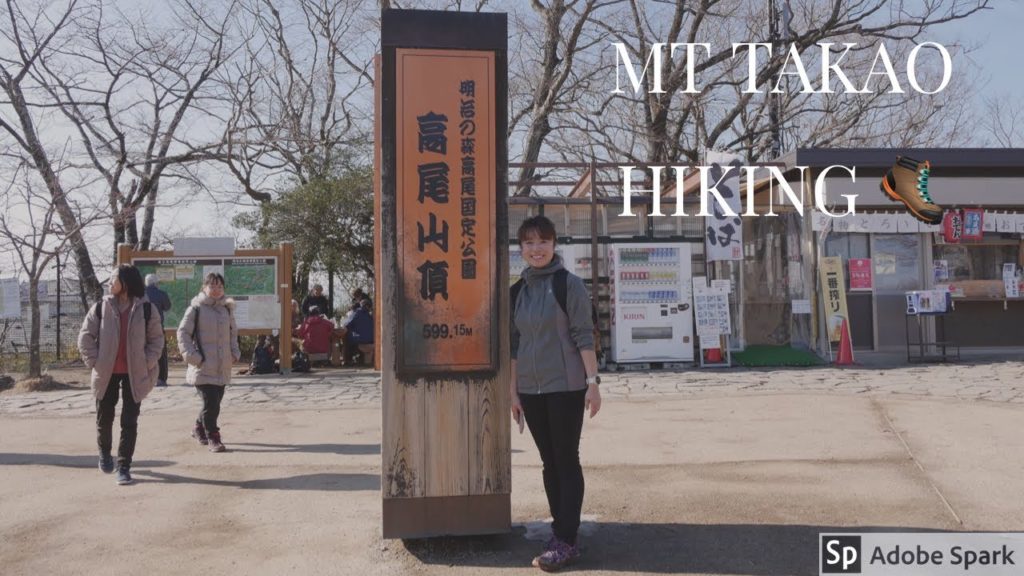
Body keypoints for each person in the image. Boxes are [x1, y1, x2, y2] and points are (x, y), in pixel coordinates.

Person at [509, 215, 601, 571]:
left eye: (543, 242)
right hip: (531, 390)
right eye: (529, 243)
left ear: (554, 245)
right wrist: (513, 393)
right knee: (549, 462)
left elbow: (582, 335)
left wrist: (593, 384)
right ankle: (560, 531)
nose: (536, 249)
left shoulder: (569, 285)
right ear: (521, 249)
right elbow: (514, 345)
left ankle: (566, 539)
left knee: (566, 459)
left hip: (566, 387)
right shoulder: (517, 291)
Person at [77, 264, 165, 486]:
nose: (109, 282)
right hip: (106, 372)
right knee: (104, 417)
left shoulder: (147, 309)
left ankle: (124, 466)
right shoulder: (101, 307)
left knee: (129, 420)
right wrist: (95, 362)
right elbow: (85, 337)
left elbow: (157, 340)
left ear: (125, 282)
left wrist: (146, 362)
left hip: (135, 374)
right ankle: (105, 453)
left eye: (113, 278)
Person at [177, 272, 240, 453]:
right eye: (212, 286)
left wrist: (234, 353)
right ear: (204, 288)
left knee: (214, 403)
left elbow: (233, 333)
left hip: (222, 365)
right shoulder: (195, 309)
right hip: (202, 366)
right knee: (211, 403)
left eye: (219, 286)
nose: (216, 290)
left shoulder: (227, 309)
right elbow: (182, 334)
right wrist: (194, 357)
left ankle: (198, 428)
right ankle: (213, 436)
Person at [144, 274, 172, 387]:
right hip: (158, 327)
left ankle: (144, 377)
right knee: (161, 352)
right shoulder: (161, 294)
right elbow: (167, 307)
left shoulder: (140, 294)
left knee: (143, 351)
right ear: (156, 283)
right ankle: (161, 379)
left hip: (142, 328)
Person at [340, 299, 373, 366]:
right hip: (370, 339)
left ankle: (348, 360)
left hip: (359, 339)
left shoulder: (356, 313)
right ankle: (359, 357)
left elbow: (347, 324)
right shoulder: (370, 316)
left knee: (347, 338)